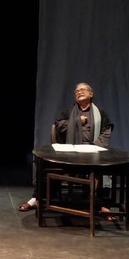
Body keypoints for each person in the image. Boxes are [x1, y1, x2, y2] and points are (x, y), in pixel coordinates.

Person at [18, 81, 113, 212]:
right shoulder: (68, 111)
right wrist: (77, 121)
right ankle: (36, 198)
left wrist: (95, 146)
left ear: (91, 94)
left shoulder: (100, 114)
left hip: (92, 152)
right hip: (70, 153)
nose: (79, 92)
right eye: (76, 91)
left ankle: (102, 205)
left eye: (82, 90)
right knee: (46, 165)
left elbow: (106, 131)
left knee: (105, 169)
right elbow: (59, 126)